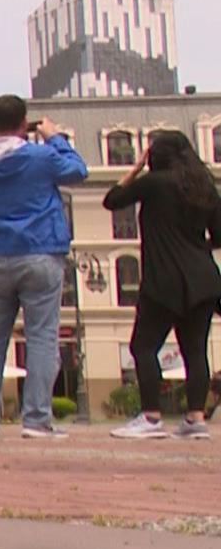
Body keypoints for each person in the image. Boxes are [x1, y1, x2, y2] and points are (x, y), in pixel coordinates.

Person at [0, 94, 89, 438]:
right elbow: (78, 171)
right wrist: (55, 137)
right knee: (42, 337)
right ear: (24, 123)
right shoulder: (42, 156)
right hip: (40, 251)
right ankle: (36, 420)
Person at [102, 130, 221, 439]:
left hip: (163, 279)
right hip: (204, 279)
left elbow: (112, 200)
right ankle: (195, 419)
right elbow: (220, 235)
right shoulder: (205, 186)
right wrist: (195, 249)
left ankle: (151, 418)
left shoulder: (154, 183)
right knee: (195, 350)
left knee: (143, 347)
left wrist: (135, 170)